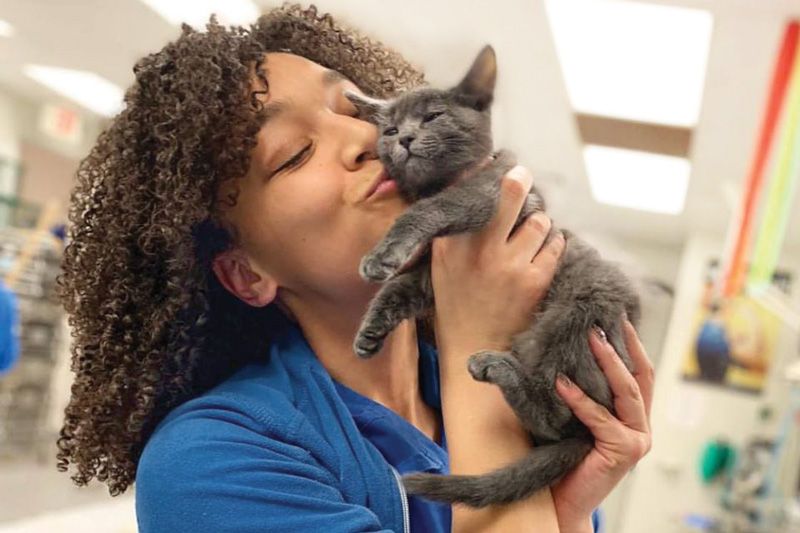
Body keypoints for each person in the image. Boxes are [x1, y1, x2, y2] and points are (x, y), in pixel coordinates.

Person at [56, 5, 654, 532]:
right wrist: (482, 338)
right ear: (247, 274)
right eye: (294, 154)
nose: (366, 135)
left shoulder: (510, 395)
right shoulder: (210, 460)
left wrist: (569, 513)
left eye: (355, 105)